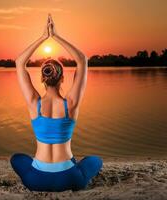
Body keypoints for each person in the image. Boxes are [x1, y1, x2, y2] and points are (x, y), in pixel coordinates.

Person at [10, 14, 102, 192]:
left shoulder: (33, 102)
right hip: (69, 178)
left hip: (36, 179)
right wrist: (56, 36)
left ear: (43, 79)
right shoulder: (71, 104)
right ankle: (71, 166)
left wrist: (43, 37)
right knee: (96, 161)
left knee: (17, 158)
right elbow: (82, 60)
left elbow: (19, 62)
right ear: (63, 78)